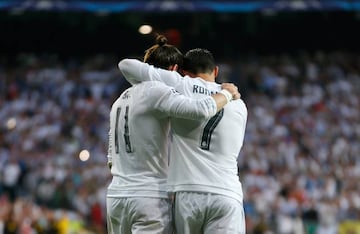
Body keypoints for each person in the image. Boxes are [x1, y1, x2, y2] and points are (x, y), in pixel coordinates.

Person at [107, 36, 240, 234]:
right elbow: (199, 109)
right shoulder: (158, 92)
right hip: (148, 196)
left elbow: (110, 159)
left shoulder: (119, 101)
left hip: (116, 197)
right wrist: (228, 93)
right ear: (174, 70)